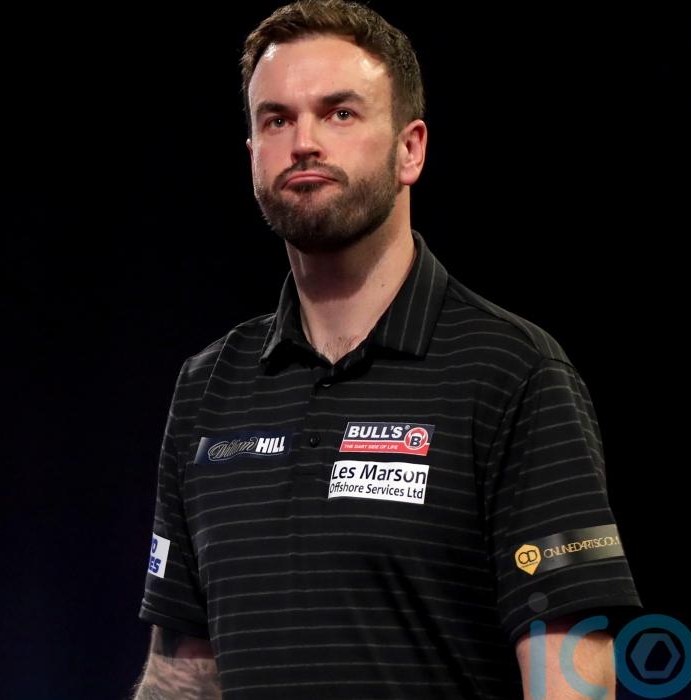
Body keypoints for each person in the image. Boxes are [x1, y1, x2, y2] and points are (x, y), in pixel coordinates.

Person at [133, 1, 643, 697]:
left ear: (411, 150)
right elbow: (181, 674)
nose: (304, 142)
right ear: (252, 152)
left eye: (339, 113)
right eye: (276, 120)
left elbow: (572, 681)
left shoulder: (513, 375)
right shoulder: (206, 388)